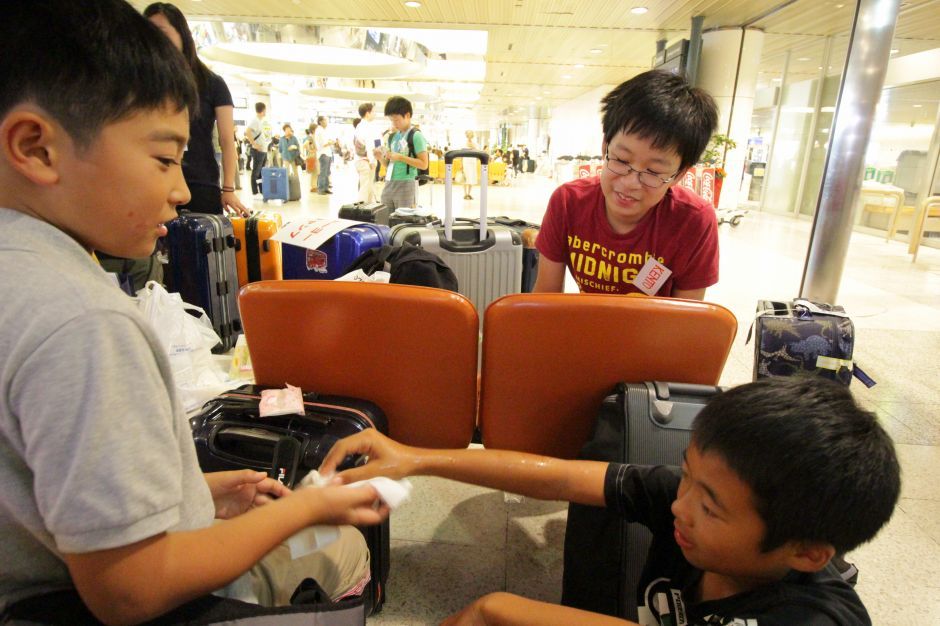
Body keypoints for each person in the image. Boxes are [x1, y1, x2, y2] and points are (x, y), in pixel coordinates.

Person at [0, 1, 387, 623]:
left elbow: (39, 493)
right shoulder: (87, 321)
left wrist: (192, 494)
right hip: (63, 603)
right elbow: (130, 588)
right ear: (36, 147)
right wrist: (307, 508)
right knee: (339, 549)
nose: (182, 191)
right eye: (163, 158)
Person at [321, 376, 900, 626]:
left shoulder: (816, 618)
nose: (680, 504)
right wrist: (417, 456)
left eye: (710, 505)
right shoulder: (689, 509)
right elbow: (560, 479)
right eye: (687, 476)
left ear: (806, 553)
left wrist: (497, 608)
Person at [534, 70, 720, 298]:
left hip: (657, 332)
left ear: (680, 174)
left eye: (653, 171)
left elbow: (687, 320)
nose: (631, 183)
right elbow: (546, 297)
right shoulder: (568, 202)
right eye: (621, 160)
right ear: (605, 147)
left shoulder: (693, 221)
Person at [144, 3, 248, 217]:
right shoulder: (142, 83)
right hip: (154, 185)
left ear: (182, 34)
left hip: (201, 185)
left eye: (160, 32)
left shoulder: (212, 83)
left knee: (201, 247)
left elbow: (228, 141)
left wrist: (228, 188)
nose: (154, 40)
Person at [374, 96, 429, 210]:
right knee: (385, 218)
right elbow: (388, 164)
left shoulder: (416, 136)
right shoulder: (393, 137)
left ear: (407, 115)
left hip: (407, 183)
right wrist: (380, 158)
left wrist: (400, 157)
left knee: (403, 221)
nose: (394, 124)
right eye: (391, 120)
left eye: (397, 120)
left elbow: (424, 164)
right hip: (389, 182)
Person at [353, 102, 380, 203]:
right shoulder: (366, 126)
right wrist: (372, 161)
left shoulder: (360, 126)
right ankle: (361, 210)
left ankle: (368, 209)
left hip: (361, 160)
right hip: (366, 161)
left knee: (368, 187)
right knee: (365, 188)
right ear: (367, 113)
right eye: (373, 111)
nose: (375, 114)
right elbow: (369, 145)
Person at [246, 102, 273, 197]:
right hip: (258, 151)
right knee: (256, 172)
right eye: (265, 110)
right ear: (263, 110)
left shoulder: (259, 121)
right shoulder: (255, 120)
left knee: (261, 172)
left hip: (263, 150)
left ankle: (261, 190)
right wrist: (254, 144)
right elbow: (247, 131)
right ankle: (255, 192)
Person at [315, 116, 334, 195]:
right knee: (323, 172)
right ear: (320, 122)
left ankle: (326, 188)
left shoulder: (324, 130)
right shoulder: (319, 131)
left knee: (327, 172)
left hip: (327, 153)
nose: (326, 122)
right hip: (323, 153)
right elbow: (324, 143)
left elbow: (328, 140)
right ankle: (321, 189)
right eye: (325, 120)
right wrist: (330, 142)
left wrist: (330, 141)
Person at [462, 130, 479, 200]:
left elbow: (477, 151)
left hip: (472, 162)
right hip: (466, 161)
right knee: (466, 177)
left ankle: (469, 193)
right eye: (468, 134)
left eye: (471, 134)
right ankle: (465, 193)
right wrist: (461, 164)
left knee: (471, 177)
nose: (469, 136)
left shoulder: (475, 143)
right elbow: (462, 154)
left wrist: (473, 146)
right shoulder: (463, 143)